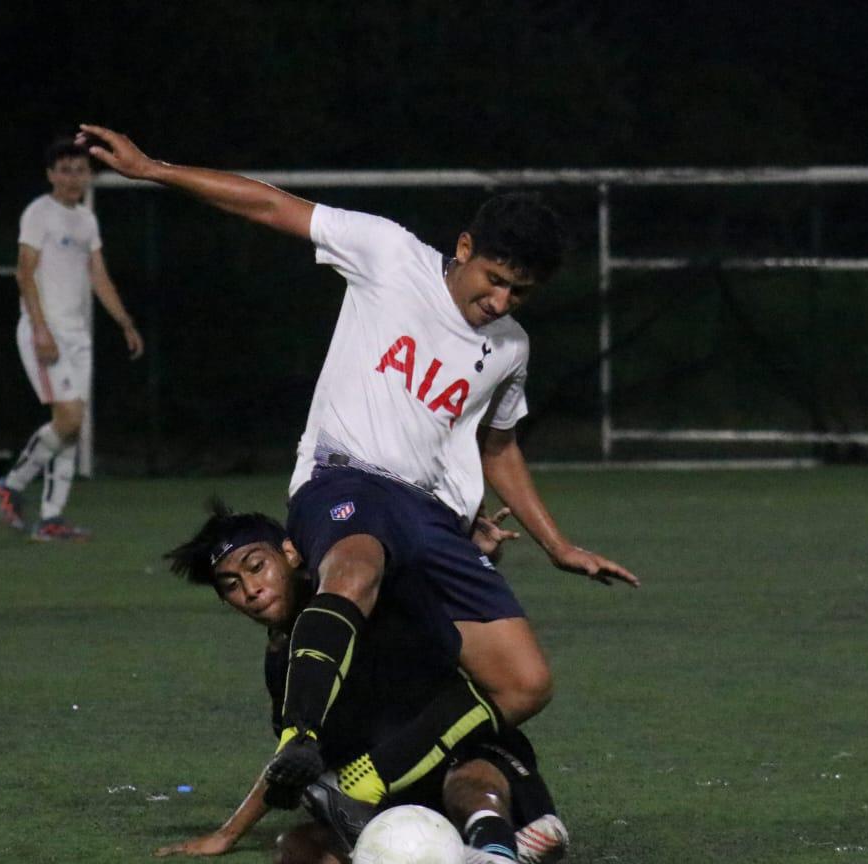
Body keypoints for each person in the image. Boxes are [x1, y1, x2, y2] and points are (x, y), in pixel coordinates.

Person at [78, 123, 639, 808]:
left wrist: (559, 545)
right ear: (464, 249)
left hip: (433, 521)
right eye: (494, 281)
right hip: (346, 479)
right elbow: (271, 205)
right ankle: (299, 736)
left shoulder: (510, 347)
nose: (500, 302)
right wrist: (153, 169)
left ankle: (362, 783)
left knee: (524, 684)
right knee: (355, 567)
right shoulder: (391, 255)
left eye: (518, 294)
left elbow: (499, 448)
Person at [159, 501, 570, 864]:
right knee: (294, 854)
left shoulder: (362, 590)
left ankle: (496, 847)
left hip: (464, 753)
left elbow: (424, 578)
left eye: (255, 567)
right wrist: (228, 833)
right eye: (231, 585)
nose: (250, 590)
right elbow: (294, 756)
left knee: (469, 780)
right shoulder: (282, 661)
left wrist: (469, 552)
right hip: (392, 792)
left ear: (290, 553)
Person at [0, 138, 144, 542]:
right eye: (65, 169)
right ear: (50, 174)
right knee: (70, 418)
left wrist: (124, 321)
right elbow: (24, 273)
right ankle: (11, 484)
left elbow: (99, 275)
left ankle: (52, 518)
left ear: (88, 175)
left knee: (72, 428)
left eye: (79, 170)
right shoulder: (39, 213)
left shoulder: (86, 221)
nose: (73, 177)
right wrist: (40, 328)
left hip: (78, 335)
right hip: (47, 331)